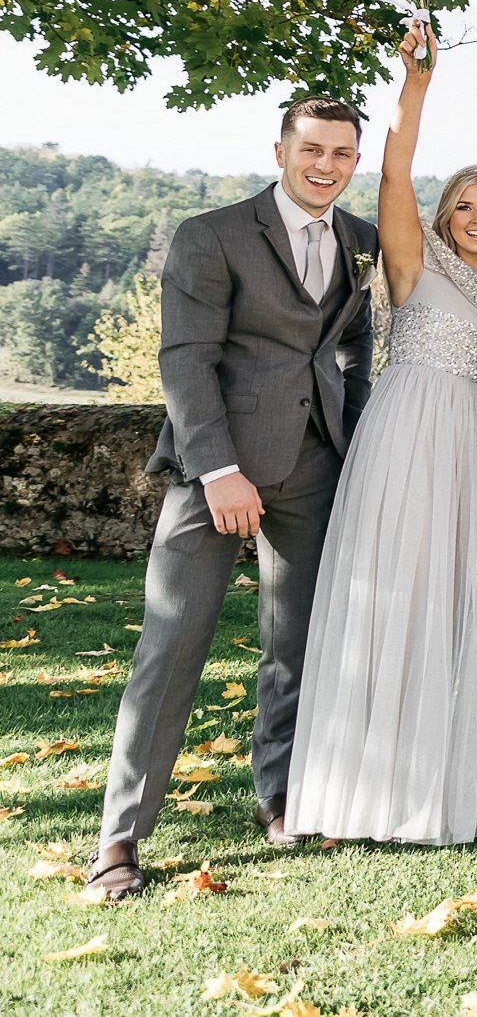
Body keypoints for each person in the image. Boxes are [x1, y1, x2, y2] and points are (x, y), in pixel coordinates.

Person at [84, 96, 377, 901]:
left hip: (317, 466)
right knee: (172, 646)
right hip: (215, 472)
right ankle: (119, 837)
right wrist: (218, 470)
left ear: (357, 159)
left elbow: (351, 340)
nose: (326, 165)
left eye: (343, 153)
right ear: (280, 150)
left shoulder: (359, 239)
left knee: (299, 642)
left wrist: (354, 436)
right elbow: (185, 358)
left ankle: (278, 794)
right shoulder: (211, 234)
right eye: (312, 149)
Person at [289, 24, 477, 845]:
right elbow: (394, 170)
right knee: (392, 591)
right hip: (409, 433)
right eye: (465, 202)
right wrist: (414, 88)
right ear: (446, 210)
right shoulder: (414, 262)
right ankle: (361, 787)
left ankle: (443, 779)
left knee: (457, 599)